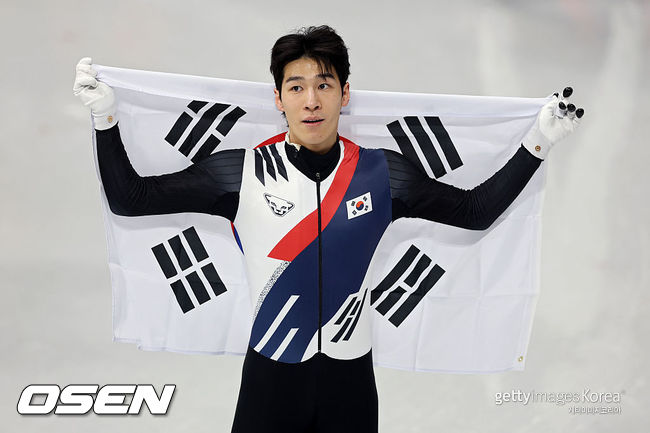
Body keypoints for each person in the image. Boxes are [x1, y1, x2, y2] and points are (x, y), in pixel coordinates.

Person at [74, 25, 583, 433]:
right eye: (296, 87)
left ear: (345, 93)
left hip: (349, 386)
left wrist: (538, 141)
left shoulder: (384, 173)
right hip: (271, 383)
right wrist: (105, 118)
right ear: (278, 98)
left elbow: (473, 211)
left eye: (324, 85)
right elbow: (130, 199)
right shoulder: (241, 172)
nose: (311, 100)